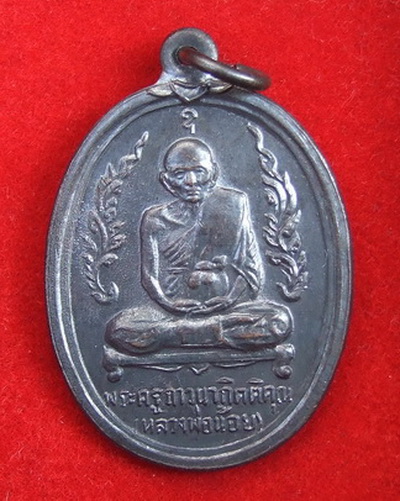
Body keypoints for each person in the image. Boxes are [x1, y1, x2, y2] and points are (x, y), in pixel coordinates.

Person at [105, 138, 292, 354]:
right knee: (119, 329)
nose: (191, 181)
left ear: (213, 173)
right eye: (180, 174)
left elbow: (250, 270)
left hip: (227, 309)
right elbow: (149, 277)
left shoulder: (234, 204)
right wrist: (168, 304)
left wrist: (229, 299)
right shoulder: (154, 219)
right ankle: (211, 332)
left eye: (199, 171)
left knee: (278, 321)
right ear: (166, 180)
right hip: (171, 312)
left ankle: (178, 334)